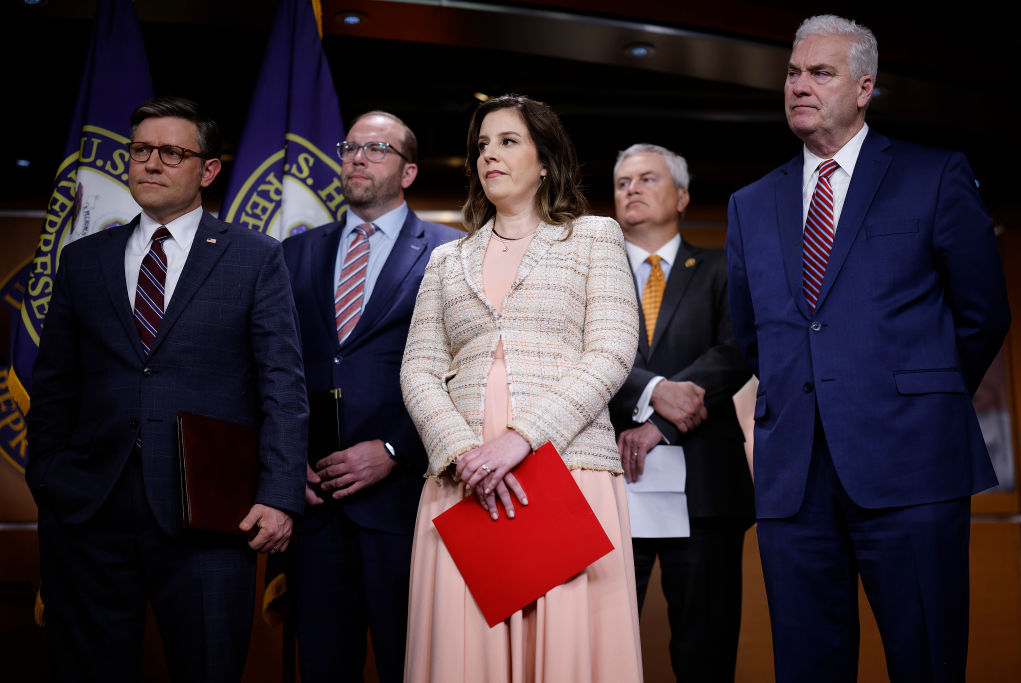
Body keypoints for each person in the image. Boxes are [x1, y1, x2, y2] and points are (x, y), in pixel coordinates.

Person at [726, 15, 1010, 683]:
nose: (800, 85)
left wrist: (917, 396)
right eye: (793, 73)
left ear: (864, 88)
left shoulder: (933, 176)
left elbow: (983, 312)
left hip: (913, 463)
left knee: (928, 660)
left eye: (819, 73)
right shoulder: (749, 203)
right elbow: (752, 333)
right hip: (794, 476)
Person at [26, 96, 308, 682]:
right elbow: (54, 383)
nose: (151, 164)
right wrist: (49, 476)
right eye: (141, 151)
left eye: (172, 153)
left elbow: (282, 384)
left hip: (205, 512)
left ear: (208, 170)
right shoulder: (82, 260)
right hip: (89, 510)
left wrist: (279, 494)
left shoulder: (254, 258)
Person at [400, 94, 643, 682]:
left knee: (565, 651)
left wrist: (519, 439)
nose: (490, 155)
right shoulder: (445, 259)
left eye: (508, 141)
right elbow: (418, 369)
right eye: (482, 144)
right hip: (465, 482)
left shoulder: (594, 237)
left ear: (544, 161)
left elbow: (611, 352)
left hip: (563, 466)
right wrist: (463, 455)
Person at [282, 110, 461, 683]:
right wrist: (286, 462)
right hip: (313, 504)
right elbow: (275, 368)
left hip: (407, 500)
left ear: (408, 172)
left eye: (376, 149)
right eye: (350, 147)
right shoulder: (296, 253)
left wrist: (393, 449)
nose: (357, 157)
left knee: (407, 663)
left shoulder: (450, 252)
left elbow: (466, 370)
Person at [609, 143, 753, 682]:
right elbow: (576, 358)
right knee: (599, 651)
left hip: (706, 492)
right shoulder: (589, 278)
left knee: (706, 653)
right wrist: (652, 390)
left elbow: (738, 349)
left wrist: (661, 422)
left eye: (647, 178)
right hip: (608, 487)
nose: (632, 189)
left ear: (682, 196)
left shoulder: (720, 269)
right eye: (622, 182)